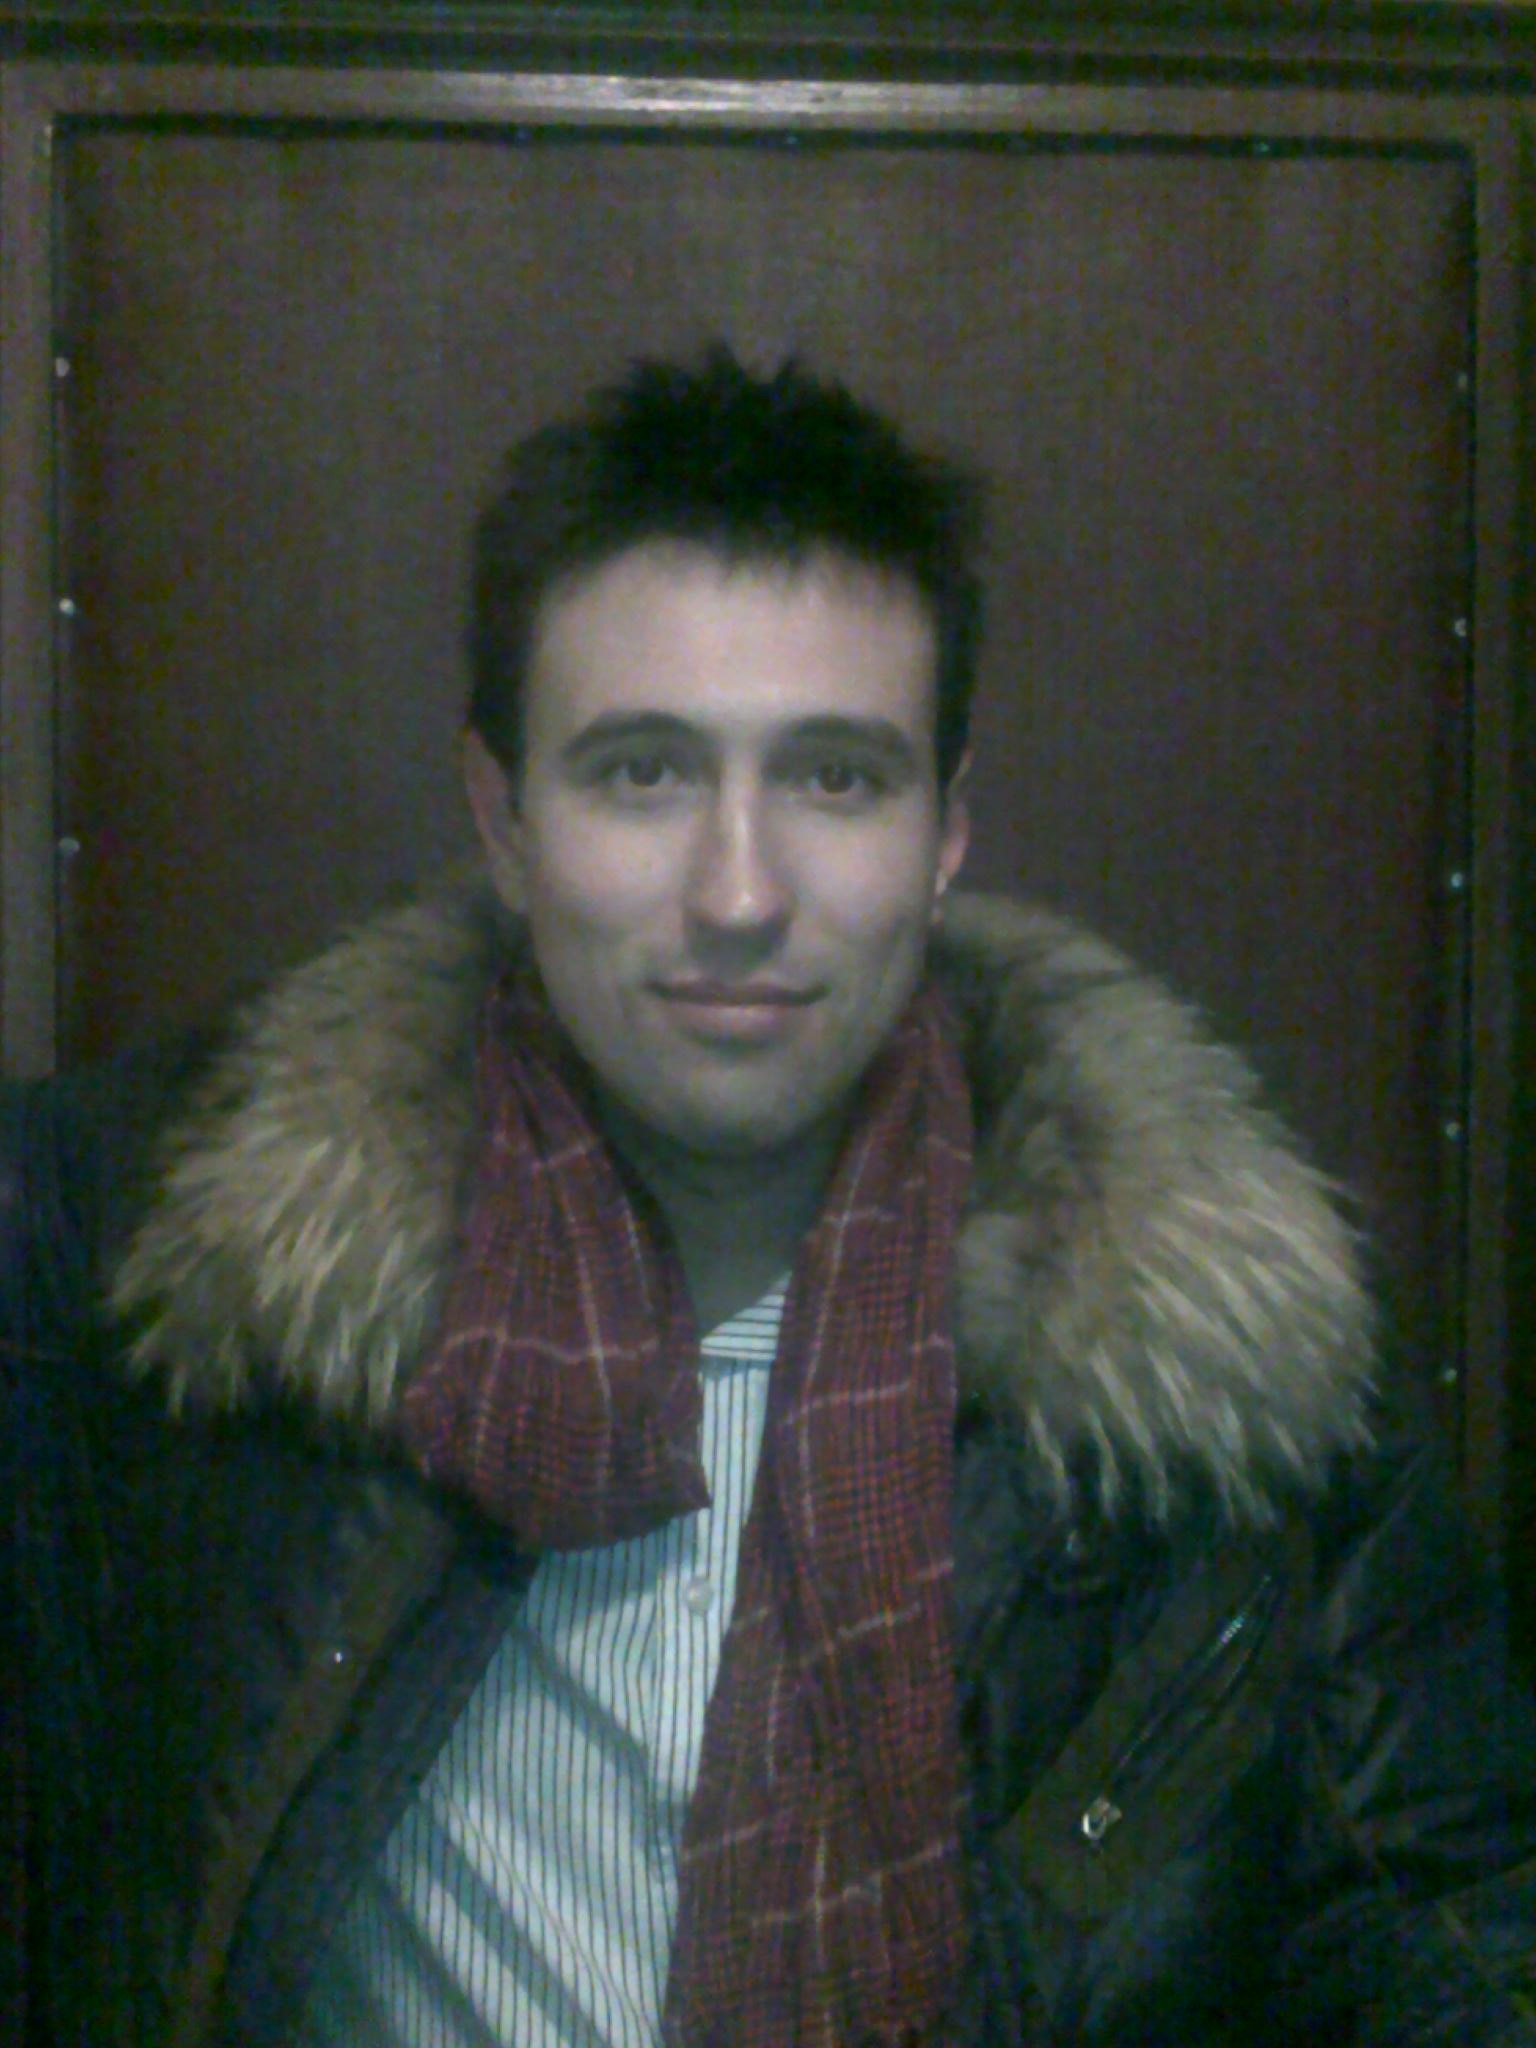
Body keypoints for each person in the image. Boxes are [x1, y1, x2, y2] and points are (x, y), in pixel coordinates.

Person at [3, 350, 1533, 2048]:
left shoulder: (1231, 1367)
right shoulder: (140, 1257)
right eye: (642, 773)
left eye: (836, 778)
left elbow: (1445, 1930)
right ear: (502, 821)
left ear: (946, 834)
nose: (739, 893)